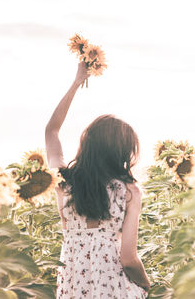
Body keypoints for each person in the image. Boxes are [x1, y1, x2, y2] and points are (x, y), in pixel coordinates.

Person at [45, 62, 151, 299]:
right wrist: (146, 284)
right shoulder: (128, 191)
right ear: (121, 152)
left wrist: (75, 83)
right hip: (113, 289)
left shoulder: (63, 182)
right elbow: (129, 259)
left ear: (88, 144)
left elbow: (51, 131)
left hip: (73, 287)